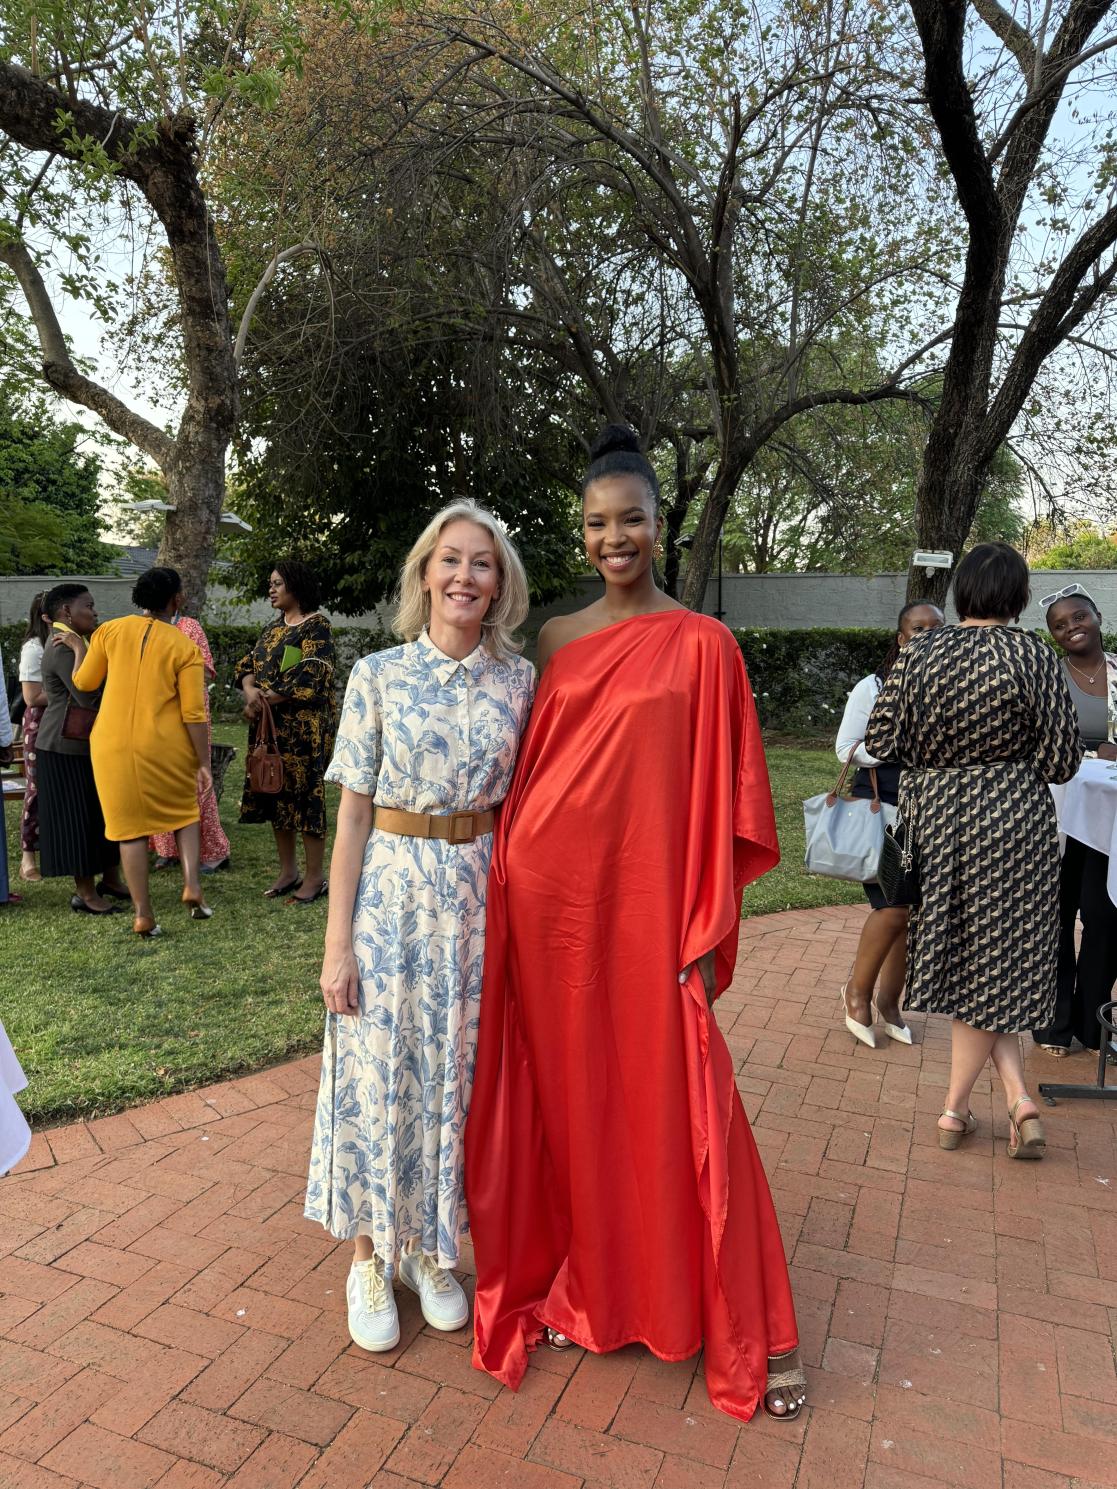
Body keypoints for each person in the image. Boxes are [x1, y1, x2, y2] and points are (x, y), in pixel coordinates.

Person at [466, 426, 801, 1424]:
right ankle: (594, 1290)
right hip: (551, 906)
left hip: (651, 913)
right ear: (581, 536)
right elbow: (528, 775)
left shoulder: (706, 643)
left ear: (662, 525)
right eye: (596, 524)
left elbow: (726, 799)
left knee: (676, 1090)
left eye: (631, 521)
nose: (614, 538)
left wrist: (703, 921)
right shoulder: (557, 640)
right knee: (575, 1109)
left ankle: (743, 1315)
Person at [305, 501, 534, 1354]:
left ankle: (432, 1251)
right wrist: (337, 943)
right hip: (391, 900)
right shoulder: (377, 675)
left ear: (500, 582)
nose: (464, 576)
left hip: (479, 904)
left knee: (454, 1076)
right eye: (451, 560)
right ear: (424, 573)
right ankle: (368, 1253)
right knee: (377, 1069)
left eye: (482, 563)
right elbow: (352, 820)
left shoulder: (520, 683)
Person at [865, 542, 1081, 1160]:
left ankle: (966, 1107)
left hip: (939, 818)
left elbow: (880, 738)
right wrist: (1010, 762)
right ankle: (995, 1104)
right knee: (999, 959)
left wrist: (938, 756)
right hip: (1014, 818)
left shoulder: (923, 651)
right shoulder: (1035, 655)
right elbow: (1063, 762)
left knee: (969, 958)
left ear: (962, 591)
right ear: (1017, 596)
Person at [57, 567, 214, 938]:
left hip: (110, 743)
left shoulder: (109, 631)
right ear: (176, 600)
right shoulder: (184, 647)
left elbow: (84, 683)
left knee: (129, 831)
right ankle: (192, 884)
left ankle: (144, 914)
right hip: (165, 744)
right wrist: (203, 761)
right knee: (185, 812)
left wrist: (80, 648)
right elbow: (193, 713)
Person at [836, 600, 945, 1046]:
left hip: (934, 810)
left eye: (937, 628)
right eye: (918, 630)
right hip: (886, 809)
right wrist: (892, 747)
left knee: (912, 914)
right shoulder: (874, 685)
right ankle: (857, 996)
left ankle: (889, 1002)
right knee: (894, 907)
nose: (928, 635)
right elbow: (846, 749)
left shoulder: (952, 689)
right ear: (902, 640)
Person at [1032, 584, 1117, 1056]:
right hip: (1057, 815)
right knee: (1055, 915)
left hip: (1110, 819)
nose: (1072, 629)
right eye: (1060, 626)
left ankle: (1093, 1023)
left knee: (1105, 916)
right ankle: (1054, 1026)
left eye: (1079, 618)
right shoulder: (1048, 676)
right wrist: (1081, 751)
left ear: (1098, 617)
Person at [236, 561, 336, 902]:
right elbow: (247, 666)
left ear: (296, 585)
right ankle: (288, 871)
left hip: (302, 730)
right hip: (269, 726)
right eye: (271, 584)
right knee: (275, 793)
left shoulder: (316, 627)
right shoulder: (273, 629)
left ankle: (313, 878)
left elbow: (312, 674)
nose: (272, 589)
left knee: (306, 800)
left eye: (278, 583)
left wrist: (263, 700)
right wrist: (251, 693)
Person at [36, 585, 128, 914]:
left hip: (84, 745)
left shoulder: (79, 640)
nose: (95, 612)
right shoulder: (64, 645)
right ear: (66, 613)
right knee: (79, 819)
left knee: (99, 814)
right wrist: (79, 649)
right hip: (64, 747)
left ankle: (111, 879)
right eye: (88, 606)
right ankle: (86, 894)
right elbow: (87, 696)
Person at [150, 613, 231, 874]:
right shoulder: (141, 628)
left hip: (189, 714)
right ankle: (167, 849)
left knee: (196, 779)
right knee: (160, 780)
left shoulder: (189, 627)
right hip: (155, 714)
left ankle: (215, 851)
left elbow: (204, 672)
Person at [17, 593, 49, 882]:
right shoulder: (33, 648)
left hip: (64, 723)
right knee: (36, 790)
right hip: (40, 725)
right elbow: (31, 696)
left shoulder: (63, 644)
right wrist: (69, 693)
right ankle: (28, 857)